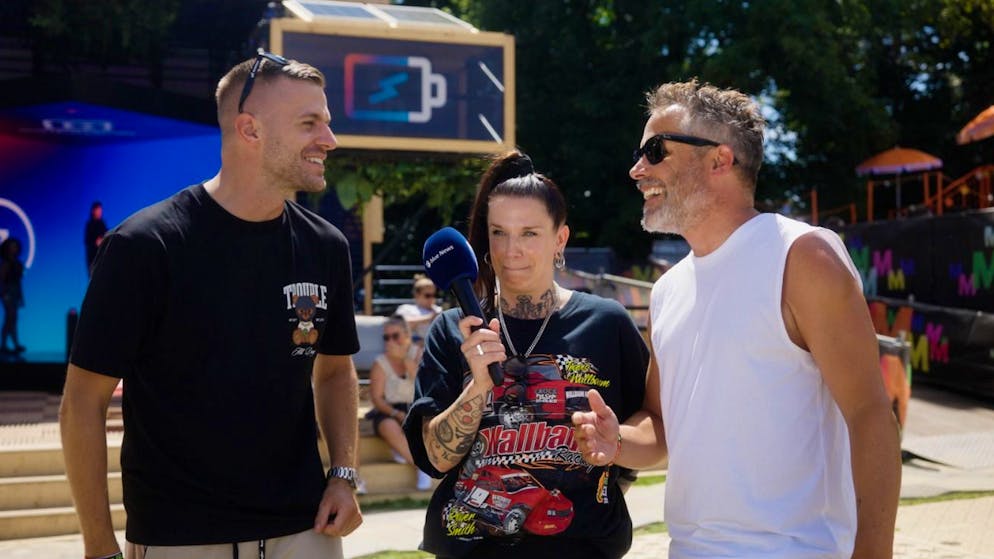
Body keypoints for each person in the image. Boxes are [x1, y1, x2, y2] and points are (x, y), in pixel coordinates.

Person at [572, 79, 902, 559]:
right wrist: (615, 440)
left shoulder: (801, 254)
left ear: (720, 159)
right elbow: (663, 426)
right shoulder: (667, 291)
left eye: (655, 149)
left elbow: (871, 415)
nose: (636, 169)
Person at [59, 50, 363, 559]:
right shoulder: (144, 246)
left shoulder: (326, 245)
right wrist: (98, 546)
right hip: (179, 538)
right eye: (310, 124)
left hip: (307, 529)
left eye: (326, 123)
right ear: (249, 130)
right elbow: (82, 405)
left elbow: (335, 372)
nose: (328, 141)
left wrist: (344, 475)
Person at [402, 151, 650, 558]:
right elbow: (436, 457)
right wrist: (478, 385)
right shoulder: (452, 329)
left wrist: (614, 458)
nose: (511, 250)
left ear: (560, 239)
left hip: (583, 546)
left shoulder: (607, 322)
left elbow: (646, 423)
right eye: (499, 232)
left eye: (529, 233)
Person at [365, 314, 432, 490]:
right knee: (388, 426)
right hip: (390, 409)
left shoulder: (419, 354)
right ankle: (422, 467)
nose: (390, 341)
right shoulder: (380, 363)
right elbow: (377, 398)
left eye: (396, 336)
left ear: (407, 335)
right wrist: (396, 413)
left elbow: (423, 384)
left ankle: (405, 453)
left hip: (416, 406)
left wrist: (404, 358)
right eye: (386, 337)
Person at [394, 275, 442, 345]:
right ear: (417, 295)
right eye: (427, 295)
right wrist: (429, 318)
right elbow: (397, 324)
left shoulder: (438, 310)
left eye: (434, 295)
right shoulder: (406, 309)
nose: (432, 299)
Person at [0, 237, 26, 354]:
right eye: (12, 246)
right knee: (10, 318)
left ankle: (10, 344)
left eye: (15, 246)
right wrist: (4, 294)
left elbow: (19, 282)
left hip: (15, 292)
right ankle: (8, 344)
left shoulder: (18, 264)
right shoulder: (5, 263)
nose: (13, 248)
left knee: (12, 318)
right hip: (7, 293)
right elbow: (1, 280)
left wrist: (21, 298)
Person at [84, 201, 108, 277]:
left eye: (100, 210)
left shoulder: (102, 223)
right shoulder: (90, 225)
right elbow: (87, 241)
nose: (100, 212)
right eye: (98, 210)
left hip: (102, 257)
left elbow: (107, 235)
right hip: (93, 257)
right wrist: (96, 242)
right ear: (93, 211)